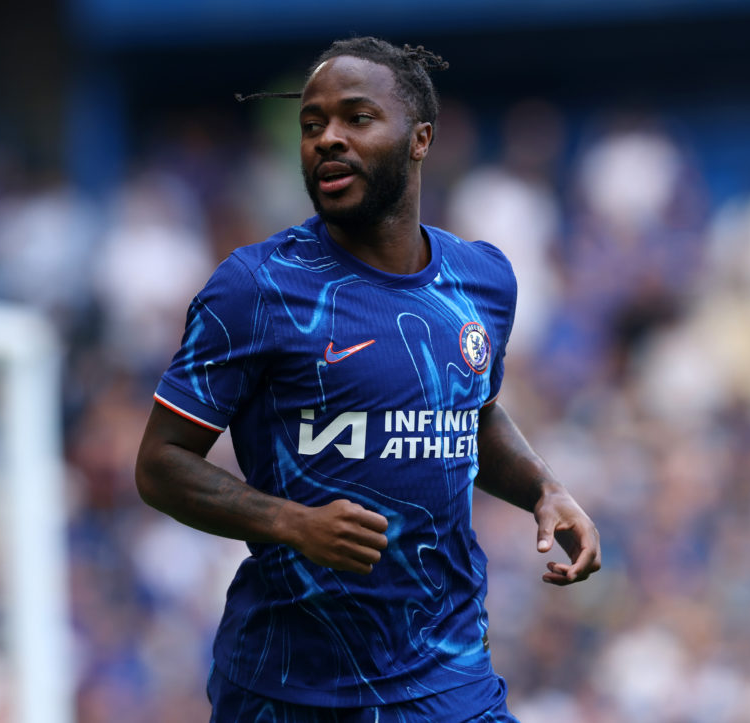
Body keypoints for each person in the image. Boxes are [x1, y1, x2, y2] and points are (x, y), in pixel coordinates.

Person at [135, 36, 601, 722]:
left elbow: (470, 411)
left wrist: (543, 488)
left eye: (356, 118)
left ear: (420, 139)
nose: (328, 139)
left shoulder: (482, 280)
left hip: (445, 674)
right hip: (287, 685)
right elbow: (159, 465)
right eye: (313, 124)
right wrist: (289, 522)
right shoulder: (256, 288)